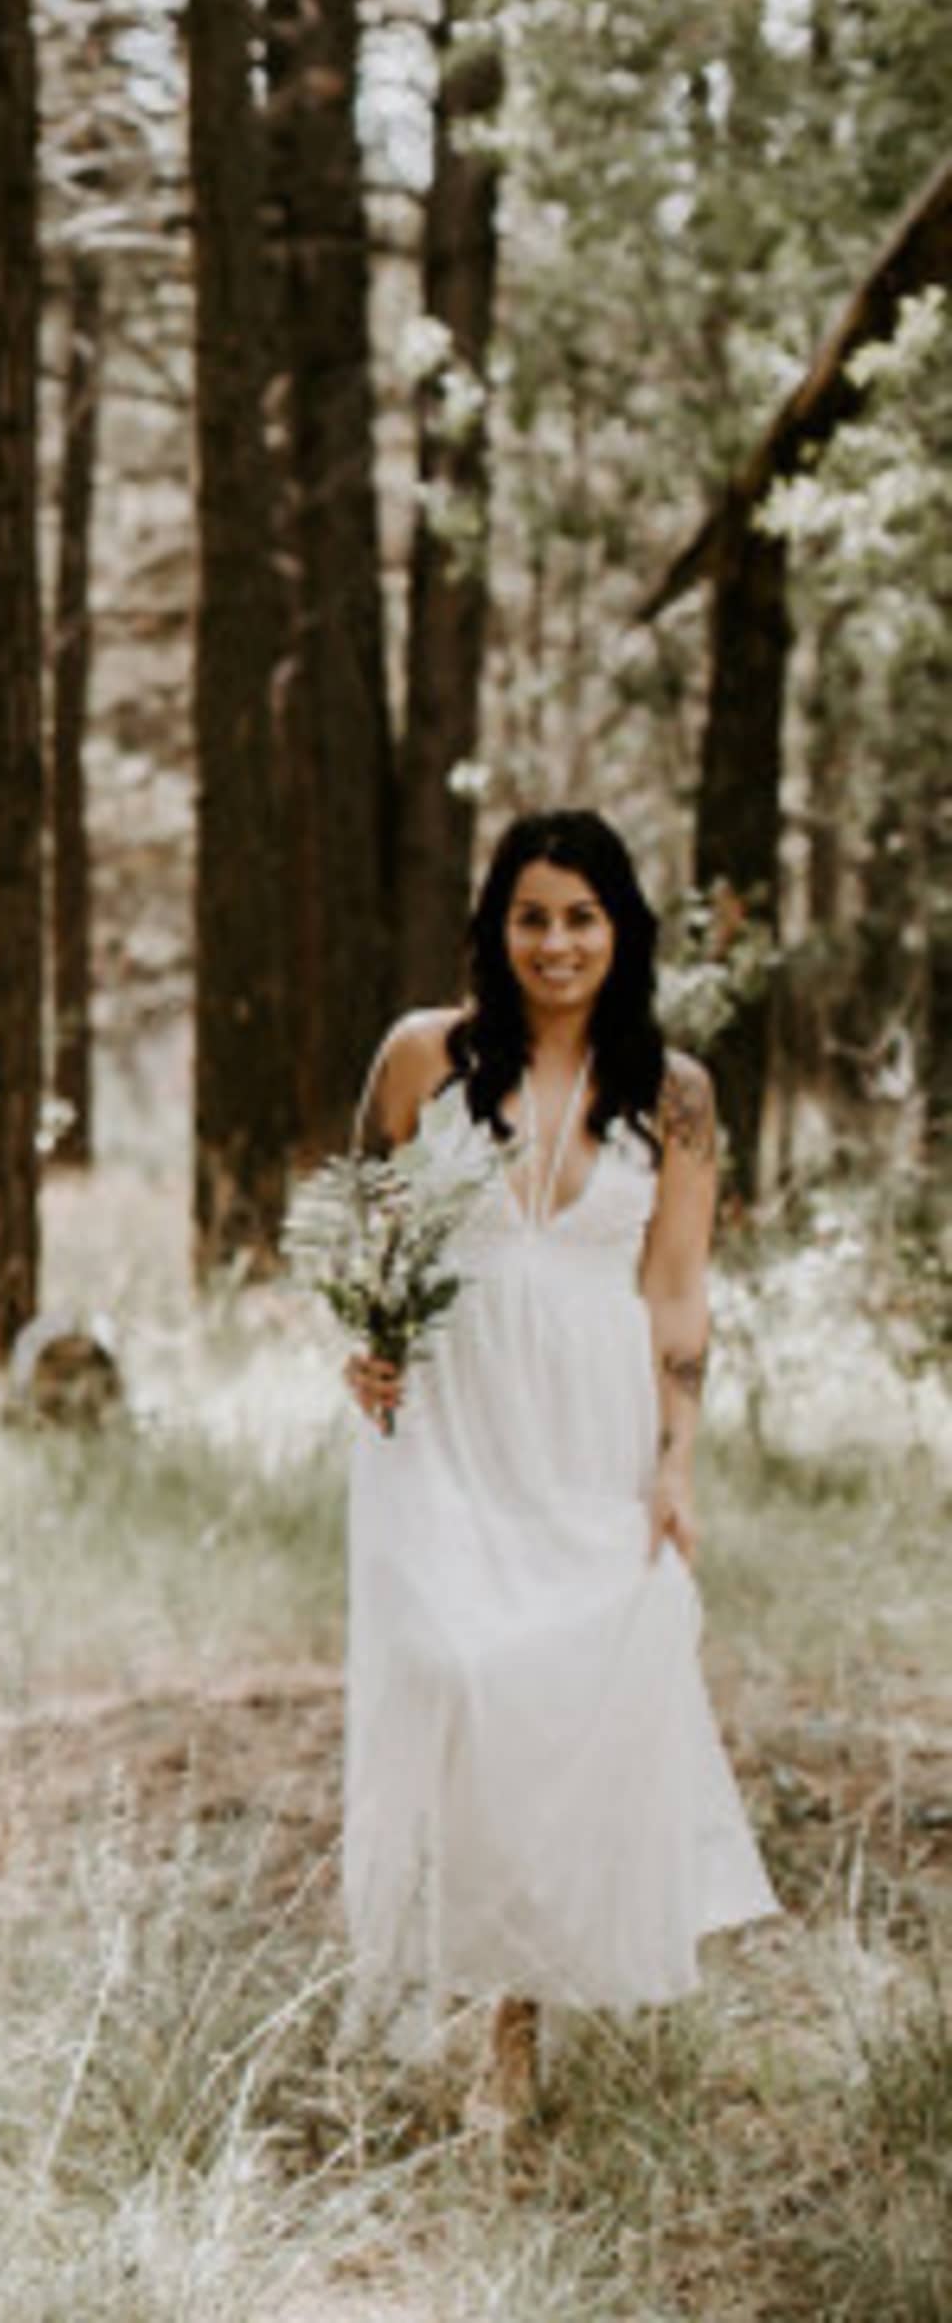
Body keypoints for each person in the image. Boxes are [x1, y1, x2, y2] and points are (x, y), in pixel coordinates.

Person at [340, 809, 776, 2122]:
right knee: (451, 1669)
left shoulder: (677, 1093)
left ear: (621, 931)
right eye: (532, 916)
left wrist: (679, 1462)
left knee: (554, 1691)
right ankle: (438, 1974)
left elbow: (680, 1292)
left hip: (587, 1423)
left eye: (582, 917)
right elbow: (360, 1217)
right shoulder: (425, 1054)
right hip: (448, 1419)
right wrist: (365, 1338)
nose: (557, 941)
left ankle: (510, 2027)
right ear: (497, 927)